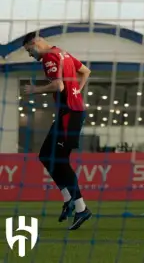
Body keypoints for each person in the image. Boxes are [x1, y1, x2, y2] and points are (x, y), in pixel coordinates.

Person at [23, 31, 93, 230]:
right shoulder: (63, 53)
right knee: (46, 156)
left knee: (60, 161)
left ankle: (81, 208)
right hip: (70, 112)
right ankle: (68, 198)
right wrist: (77, 92)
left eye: (29, 50)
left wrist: (34, 90)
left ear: (35, 43)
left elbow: (58, 85)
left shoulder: (49, 57)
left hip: (70, 114)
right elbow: (86, 71)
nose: (31, 55)